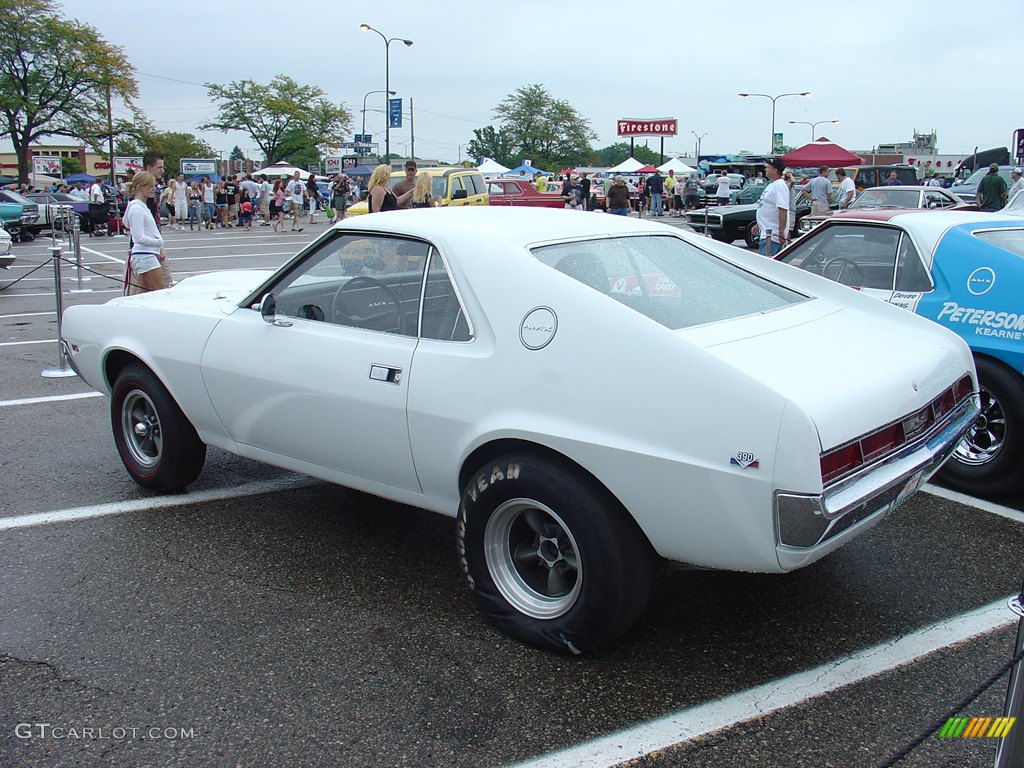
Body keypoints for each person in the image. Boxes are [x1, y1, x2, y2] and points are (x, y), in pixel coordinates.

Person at [122, 171, 167, 292]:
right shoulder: (137, 208)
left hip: (144, 255)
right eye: (150, 186)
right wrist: (159, 242)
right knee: (159, 292)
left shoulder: (137, 206)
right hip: (145, 256)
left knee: (141, 294)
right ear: (140, 187)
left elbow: (125, 222)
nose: (153, 189)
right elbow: (138, 238)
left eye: (154, 186)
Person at [753, 158, 790, 257]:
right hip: (766, 232)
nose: (765, 170)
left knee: (765, 265)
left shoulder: (779, 186)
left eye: (767, 168)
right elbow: (766, 206)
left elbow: (782, 209)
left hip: (772, 236)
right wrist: (758, 224)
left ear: (775, 170)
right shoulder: (772, 185)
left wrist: (781, 232)